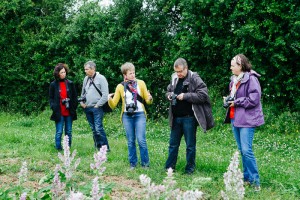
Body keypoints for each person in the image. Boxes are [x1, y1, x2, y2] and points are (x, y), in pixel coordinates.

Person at [165, 58, 214, 174]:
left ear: (186, 68)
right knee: (173, 145)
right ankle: (169, 168)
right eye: (177, 72)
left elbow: (203, 95)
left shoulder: (194, 78)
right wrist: (169, 95)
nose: (179, 74)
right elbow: (168, 90)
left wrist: (186, 96)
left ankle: (189, 169)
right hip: (176, 118)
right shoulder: (174, 78)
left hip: (189, 118)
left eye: (181, 71)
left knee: (190, 146)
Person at [223, 54, 264, 192]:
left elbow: (254, 99)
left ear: (240, 66)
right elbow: (234, 97)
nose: (231, 67)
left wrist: (236, 102)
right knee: (242, 151)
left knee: (247, 150)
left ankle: (255, 183)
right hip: (235, 118)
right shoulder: (233, 80)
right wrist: (228, 100)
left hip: (247, 120)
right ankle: (247, 179)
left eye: (233, 65)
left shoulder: (251, 79)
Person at [108, 62, 153, 170]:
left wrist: (150, 98)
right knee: (131, 141)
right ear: (125, 75)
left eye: (133, 73)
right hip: (127, 116)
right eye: (130, 73)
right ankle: (133, 164)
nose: (133, 75)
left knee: (141, 139)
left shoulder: (141, 83)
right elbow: (113, 104)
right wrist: (108, 99)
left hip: (140, 114)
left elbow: (147, 100)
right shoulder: (120, 86)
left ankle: (145, 164)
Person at [79, 61, 110, 151]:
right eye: (85, 69)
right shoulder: (86, 79)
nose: (85, 71)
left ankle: (105, 148)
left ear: (93, 69)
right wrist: (82, 103)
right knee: (93, 129)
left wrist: (97, 105)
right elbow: (83, 93)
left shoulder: (101, 78)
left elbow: (105, 95)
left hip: (97, 108)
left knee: (98, 128)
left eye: (87, 69)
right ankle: (98, 147)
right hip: (87, 108)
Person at [49, 63, 78, 150]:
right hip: (59, 111)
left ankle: (67, 148)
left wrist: (73, 106)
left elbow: (74, 97)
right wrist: (53, 107)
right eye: (61, 72)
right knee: (59, 131)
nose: (63, 74)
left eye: (64, 72)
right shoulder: (53, 85)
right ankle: (58, 148)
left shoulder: (70, 83)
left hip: (69, 111)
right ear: (57, 73)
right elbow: (51, 98)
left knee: (68, 131)